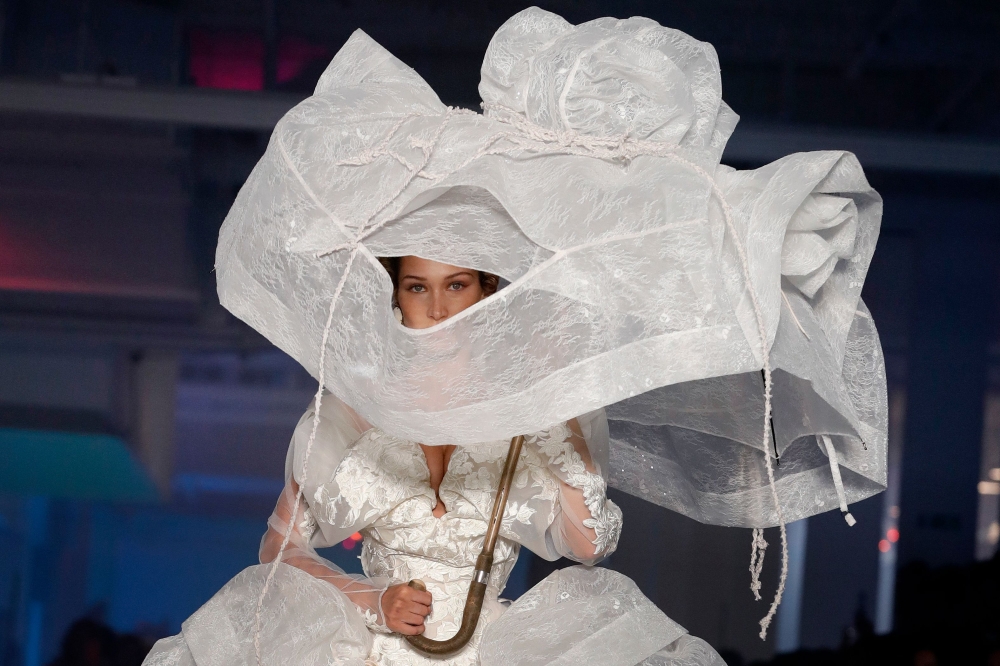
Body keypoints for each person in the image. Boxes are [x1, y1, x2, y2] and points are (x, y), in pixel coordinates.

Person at [143, 256, 724, 666]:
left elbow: (588, 546)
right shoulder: (351, 410)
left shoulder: (532, 415)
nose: (440, 308)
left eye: (458, 285)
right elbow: (278, 548)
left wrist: (555, 403)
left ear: (487, 291)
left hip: (490, 648)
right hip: (364, 649)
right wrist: (373, 601)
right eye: (418, 287)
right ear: (395, 296)